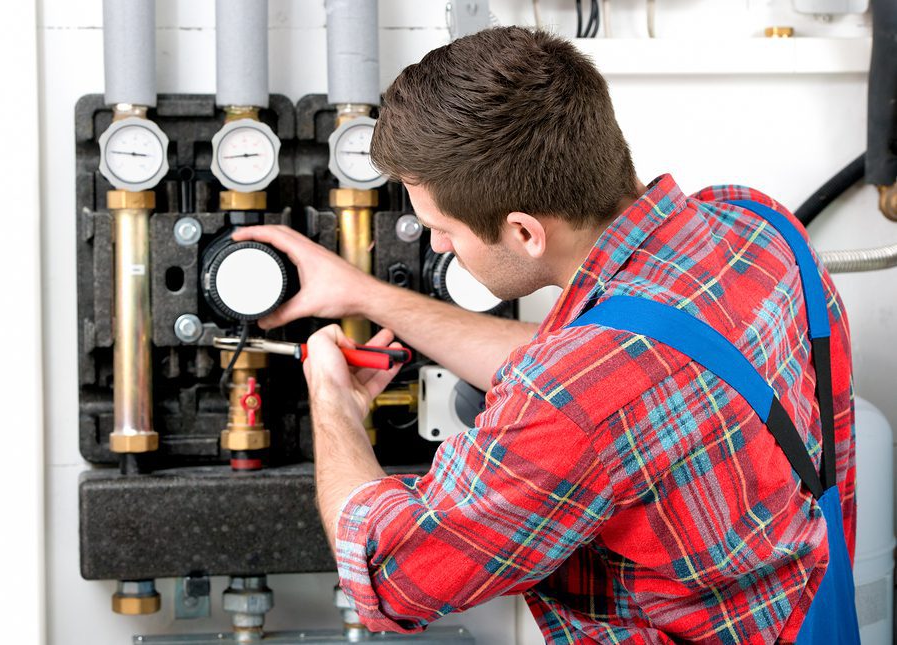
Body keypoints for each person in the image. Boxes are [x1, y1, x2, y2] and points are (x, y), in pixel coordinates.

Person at [233, 26, 856, 644]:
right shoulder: (754, 225)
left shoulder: (575, 395)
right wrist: (362, 294)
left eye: (442, 228)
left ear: (525, 232)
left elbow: (388, 575)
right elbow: (611, 376)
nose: (437, 244)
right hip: (820, 611)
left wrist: (334, 406)